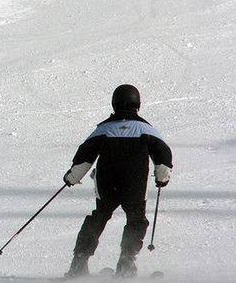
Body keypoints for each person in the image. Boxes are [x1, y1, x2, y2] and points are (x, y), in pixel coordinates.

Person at [62, 84, 173, 278]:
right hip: (134, 183)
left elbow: (85, 156)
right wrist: (162, 177)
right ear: (137, 104)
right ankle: (125, 263)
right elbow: (163, 154)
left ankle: (79, 262)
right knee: (136, 219)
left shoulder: (104, 128)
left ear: (114, 104)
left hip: (107, 183)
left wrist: (72, 177)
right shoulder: (146, 128)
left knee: (99, 216)